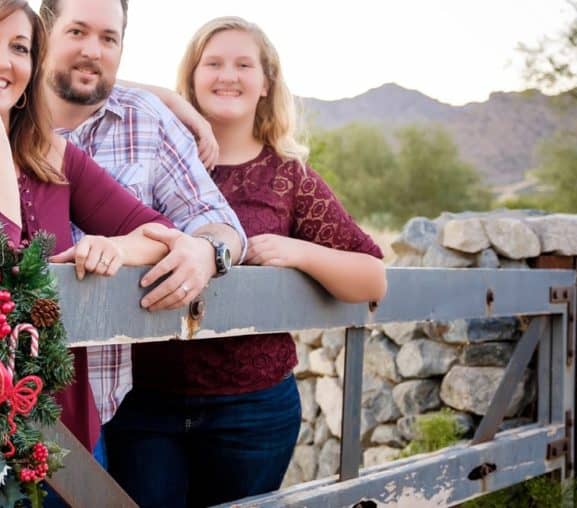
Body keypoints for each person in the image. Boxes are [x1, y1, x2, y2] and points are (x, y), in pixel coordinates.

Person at [103, 16, 388, 507]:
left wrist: (300, 252)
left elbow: (372, 277)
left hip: (252, 410)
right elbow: (79, 77)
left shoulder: (288, 176)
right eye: (211, 63)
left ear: (265, 82)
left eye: (243, 64)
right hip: (144, 401)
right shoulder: (158, 157)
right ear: (191, 77)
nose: (226, 75)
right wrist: (169, 103)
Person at [0, 0, 176, 455]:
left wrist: (116, 249)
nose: (3, 60)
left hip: (68, 435)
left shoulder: (57, 160)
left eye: (20, 48)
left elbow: (162, 234)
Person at [37, 0, 248, 436]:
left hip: (103, 408)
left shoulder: (146, 120)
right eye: (77, 32)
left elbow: (215, 218)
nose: (93, 50)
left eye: (108, 38)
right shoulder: (3, 113)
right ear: (44, 33)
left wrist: (207, 252)